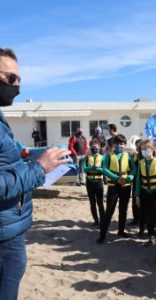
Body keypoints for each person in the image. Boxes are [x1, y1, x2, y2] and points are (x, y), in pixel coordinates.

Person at [0, 48, 71, 300]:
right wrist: (40, 168)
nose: (17, 86)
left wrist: (45, 153)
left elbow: (15, 153)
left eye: (19, 79)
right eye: (10, 79)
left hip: (12, 228)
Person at [97, 134, 136, 244]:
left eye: (122, 144)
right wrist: (116, 178)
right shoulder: (109, 156)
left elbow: (134, 170)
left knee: (123, 210)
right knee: (109, 210)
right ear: (114, 144)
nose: (120, 145)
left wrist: (129, 178)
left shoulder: (128, 156)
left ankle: (121, 231)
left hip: (125, 186)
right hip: (113, 186)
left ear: (125, 145)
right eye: (118, 143)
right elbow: (104, 168)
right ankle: (102, 235)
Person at [135, 139, 156, 245]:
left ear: (152, 149)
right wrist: (137, 196)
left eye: (146, 149)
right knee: (148, 216)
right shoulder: (141, 163)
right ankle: (151, 236)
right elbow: (138, 181)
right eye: (142, 149)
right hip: (145, 194)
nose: (144, 151)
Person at [82, 139, 104, 228]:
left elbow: (104, 170)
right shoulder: (87, 157)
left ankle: (103, 220)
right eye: (92, 147)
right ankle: (96, 220)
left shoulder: (103, 158)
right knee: (92, 202)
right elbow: (84, 169)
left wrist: (97, 169)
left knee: (100, 202)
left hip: (99, 182)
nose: (94, 148)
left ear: (99, 147)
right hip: (89, 182)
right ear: (90, 147)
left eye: (96, 146)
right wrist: (92, 167)